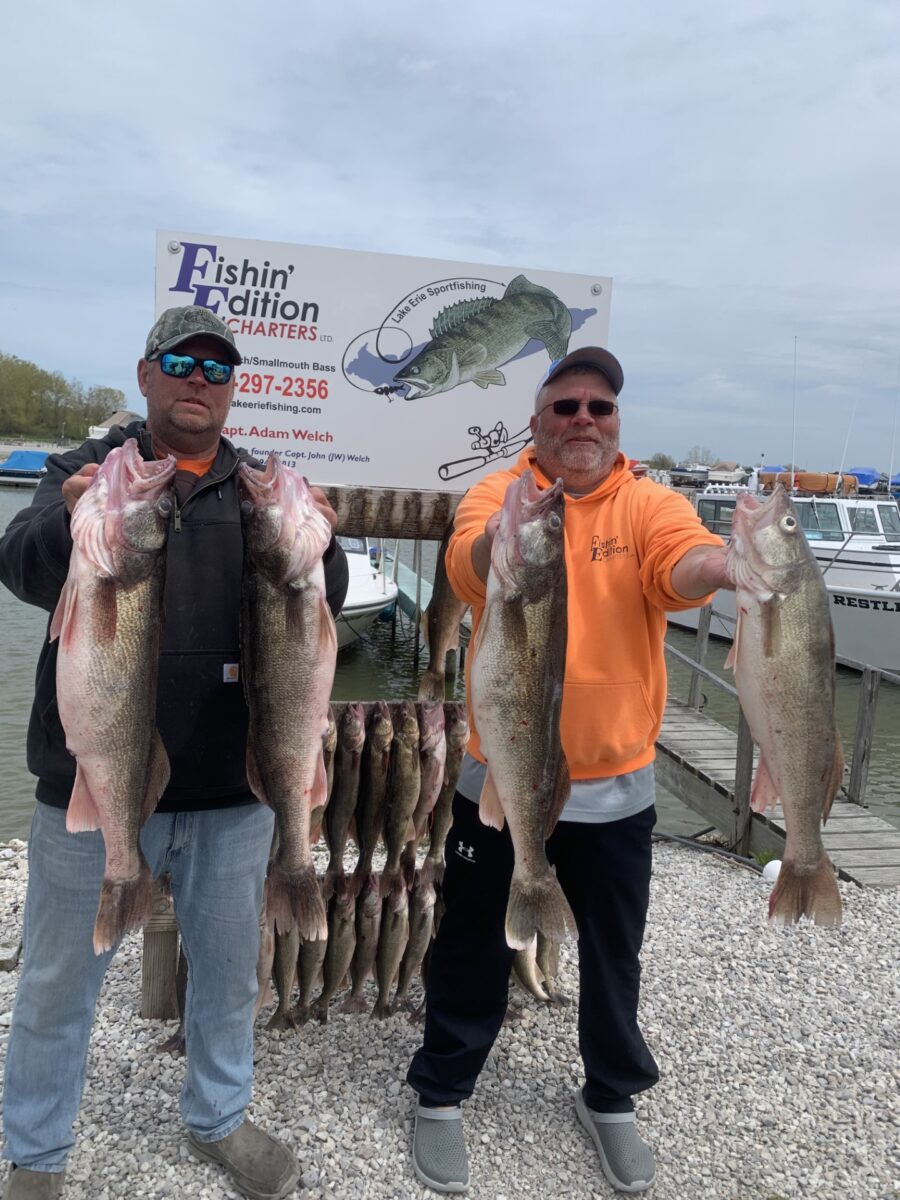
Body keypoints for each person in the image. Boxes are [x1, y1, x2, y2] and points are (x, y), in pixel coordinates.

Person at [0, 305, 349, 1200]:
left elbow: (316, 608)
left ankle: (219, 1118)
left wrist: (323, 549)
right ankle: (35, 1156)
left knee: (230, 980)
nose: (199, 378)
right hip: (95, 784)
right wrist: (68, 522)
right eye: (180, 361)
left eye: (217, 368)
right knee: (52, 987)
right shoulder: (89, 473)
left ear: (234, 389)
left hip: (233, 798)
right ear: (147, 374)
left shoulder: (261, 487)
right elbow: (23, 562)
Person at [406, 346, 734, 1194]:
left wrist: (730, 565)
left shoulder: (651, 503)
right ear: (537, 422)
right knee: (468, 944)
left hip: (617, 791)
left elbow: (685, 562)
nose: (584, 420)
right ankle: (443, 1089)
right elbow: (468, 564)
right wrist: (510, 540)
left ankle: (611, 1097)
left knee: (615, 954)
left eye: (601, 407)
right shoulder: (505, 495)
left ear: (617, 423)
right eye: (566, 407)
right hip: (500, 783)